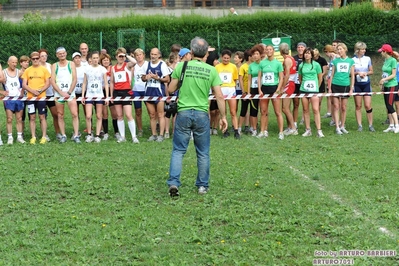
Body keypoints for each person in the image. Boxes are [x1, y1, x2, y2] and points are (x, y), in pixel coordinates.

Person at [167, 36, 228, 197]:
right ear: (205, 54)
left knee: (178, 150)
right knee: (202, 152)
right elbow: (219, 96)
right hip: (202, 114)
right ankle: (202, 186)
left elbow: (170, 89)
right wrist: (223, 117)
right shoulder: (211, 70)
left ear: (192, 52)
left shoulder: (182, 66)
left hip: (184, 112)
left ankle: (174, 183)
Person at [50, 47, 80, 143]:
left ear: (66, 53)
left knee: (74, 114)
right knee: (60, 115)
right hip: (59, 94)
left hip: (70, 94)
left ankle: (76, 135)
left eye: (63, 53)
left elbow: (75, 79)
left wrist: (69, 92)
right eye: (60, 54)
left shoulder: (71, 64)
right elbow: (53, 81)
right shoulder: (54, 65)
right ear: (57, 55)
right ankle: (63, 135)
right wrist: (61, 92)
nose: (62, 55)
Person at [109, 47, 139, 143]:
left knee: (129, 115)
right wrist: (111, 95)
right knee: (119, 115)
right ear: (116, 57)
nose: (121, 58)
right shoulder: (113, 68)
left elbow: (135, 62)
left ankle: (134, 137)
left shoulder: (127, 65)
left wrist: (126, 55)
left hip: (126, 92)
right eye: (119, 56)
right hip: (117, 92)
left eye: (122, 56)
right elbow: (112, 82)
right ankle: (122, 136)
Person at [22, 51, 51, 145]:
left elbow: (48, 83)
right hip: (30, 98)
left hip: (41, 97)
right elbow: (24, 84)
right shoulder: (27, 70)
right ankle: (33, 136)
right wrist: (32, 91)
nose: (35, 60)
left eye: (37, 58)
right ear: (31, 60)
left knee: (42, 116)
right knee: (32, 117)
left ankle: (43, 136)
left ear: (39, 58)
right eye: (33, 59)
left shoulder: (44, 69)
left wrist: (40, 91)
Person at [142, 48, 170, 142]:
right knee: (152, 115)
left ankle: (161, 135)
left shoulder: (162, 64)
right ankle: (154, 134)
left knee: (161, 114)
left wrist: (158, 78)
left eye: (155, 54)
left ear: (159, 55)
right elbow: (142, 77)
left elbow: (167, 79)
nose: (153, 56)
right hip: (149, 92)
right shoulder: (147, 64)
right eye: (151, 54)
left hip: (159, 93)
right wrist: (146, 77)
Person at [257, 45, 284, 140]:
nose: (268, 51)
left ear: (273, 51)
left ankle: (281, 132)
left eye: (270, 49)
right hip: (264, 89)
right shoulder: (262, 63)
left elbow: (281, 78)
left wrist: (279, 89)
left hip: (274, 89)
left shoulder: (278, 63)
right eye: (267, 50)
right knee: (263, 111)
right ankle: (262, 131)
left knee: (277, 112)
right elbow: (259, 77)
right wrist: (259, 89)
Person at [81, 51, 109, 143]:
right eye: (94, 58)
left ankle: (97, 135)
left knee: (98, 115)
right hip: (89, 95)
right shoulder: (87, 69)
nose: (95, 60)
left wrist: (107, 97)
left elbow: (105, 83)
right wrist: (82, 96)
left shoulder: (102, 69)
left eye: (97, 58)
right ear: (91, 59)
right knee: (88, 116)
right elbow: (84, 83)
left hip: (99, 95)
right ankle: (89, 134)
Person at [298, 47, 324, 137]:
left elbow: (320, 78)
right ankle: (308, 129)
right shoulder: (301, 65)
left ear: (312, 55)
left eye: (308, 53)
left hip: (314, 91)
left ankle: (319, 130)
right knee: (305, 110)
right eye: (305, 53)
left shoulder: (316, 65)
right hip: (304, 90)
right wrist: (304, 86)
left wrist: (316, 87)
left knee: (315, 109)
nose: (306, 54)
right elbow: (300, 78)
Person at [330, 42, 355, 135]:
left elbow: (352, 76)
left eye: (340, 49)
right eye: (338, 49)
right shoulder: (335, 61)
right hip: (335, 84)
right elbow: (332, 74)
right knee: (336, 106)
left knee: (343, 107)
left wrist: (351, 88)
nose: (339, 51)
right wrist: (329, 88)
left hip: (345, 85)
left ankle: (342, 126)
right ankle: (337, 127)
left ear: (345, 49)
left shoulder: (350, 61)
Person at [215, 49, 240, 139]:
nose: (226, 60)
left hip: (230, 89)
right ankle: (225, 131)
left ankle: (236, 131)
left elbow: (235, 79)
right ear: (221, 57)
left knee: (233, 111)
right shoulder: (217, 67)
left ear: (230, 58)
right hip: (221, 90)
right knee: (223, 112)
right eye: (224, 58)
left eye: (228, 58)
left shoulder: (233, 67)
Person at [39, 48, 61, 141]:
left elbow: (53, 79)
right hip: (41, 95)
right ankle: (45, 134)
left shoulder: (50, 66)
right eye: (42, 56)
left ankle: (58, 133)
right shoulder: (36, 66)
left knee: (55, 114)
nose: (44, 57)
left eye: (45, 56)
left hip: (51, 94)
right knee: (43, 116)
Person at [2, 56, 25, 144]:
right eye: (13, 62)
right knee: (9, 119)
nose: (14, 64)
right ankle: (10, 137)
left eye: (16, 62)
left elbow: (26, 81)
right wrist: (2, 91)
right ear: (8, 62)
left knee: (19, 118)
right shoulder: (3, 72)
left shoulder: (19, 72)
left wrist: (23, 90)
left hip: (18, 98)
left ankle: (19, 136)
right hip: (9, 99)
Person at [352, 42, 375, 132]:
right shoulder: (352, 60)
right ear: (358, 50)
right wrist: (358, 73)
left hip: (366, 84)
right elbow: (351, 73)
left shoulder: (367, 59)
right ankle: (360, 125)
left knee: (368, 105)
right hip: (357, 84)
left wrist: (366, 73)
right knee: (358, 105)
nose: (364, 51)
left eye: (365, 49)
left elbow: (371, 71)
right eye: (362, 49)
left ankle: (370, 125)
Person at [378, 44, 399, 133]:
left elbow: (393, 74)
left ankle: (397, 125)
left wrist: (384, 79)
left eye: (382, 51)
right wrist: (382, 84)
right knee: (387, 105)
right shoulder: (385, 60)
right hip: (386, 86)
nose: (381, 53)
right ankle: (391, 125)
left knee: (390, 105)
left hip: (392, 85)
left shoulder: (393, 60)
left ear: (385, 51)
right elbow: (384, 73)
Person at [279, 42, 297, 136]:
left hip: (288, 84)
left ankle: (293, 128)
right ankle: (290, 127)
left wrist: (282, 87)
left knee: (285, 108)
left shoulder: (287, 60)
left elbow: (287, 75)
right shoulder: (291, 58)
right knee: (286, 108)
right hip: (291, 83)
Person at [247, 44, 263, 137]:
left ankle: (263, 129)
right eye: (254, 54)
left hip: (263, 89)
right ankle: (254, 128)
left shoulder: (264, 64)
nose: (255, 56)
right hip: (253, 89)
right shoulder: (251, 66)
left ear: (260, 54)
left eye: (257, 54)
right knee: (254, 110)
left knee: (263, 110)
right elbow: (249, 79)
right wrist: (248, 92)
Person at [133, 48, 148, 137]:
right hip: (136, 91)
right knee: (138, 111)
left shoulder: (147, 64)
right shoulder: (134, 65)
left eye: (140, 55)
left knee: (151, 111)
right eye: (137, 55)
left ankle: (154, 127)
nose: (139, 57)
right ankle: (140, 130)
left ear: (144, 55)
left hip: (146, 90)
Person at [100, 53, 114, 140]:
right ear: (101, 61)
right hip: (103, 92)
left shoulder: (113, 69)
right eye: (104, 60)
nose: (106, 61)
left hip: (112, 91)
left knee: (115, 113)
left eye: (107, 60)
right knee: (104, 113)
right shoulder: (99, 69)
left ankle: (116, 132)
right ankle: (105, 133)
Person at [206, 49, 220, 135]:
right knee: (208, 111)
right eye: (216, 59)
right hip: (208, 92)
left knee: (216, 111)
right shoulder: (209, 69)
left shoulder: (217, 69)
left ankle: (214, 128)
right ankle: (207, 128)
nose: (217, 61)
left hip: (214, 92)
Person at [293, 42, 306, 128]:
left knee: (305, 104)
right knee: (296, 103)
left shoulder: (307, 58)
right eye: (299, 47)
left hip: (304, 83)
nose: (300, 49)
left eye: (302, 47)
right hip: (295, 83)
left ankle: (304, 119)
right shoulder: (293, 58)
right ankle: (294, 122)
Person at [238, 50, 251, 134]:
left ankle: (250, 126)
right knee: (243, 110)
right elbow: (241, 80)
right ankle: (239, 128)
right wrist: (243, 91)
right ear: (249, 57)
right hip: (245, 92)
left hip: (254, 91)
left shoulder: (255, 66)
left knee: (254, 110)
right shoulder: (243, 67)